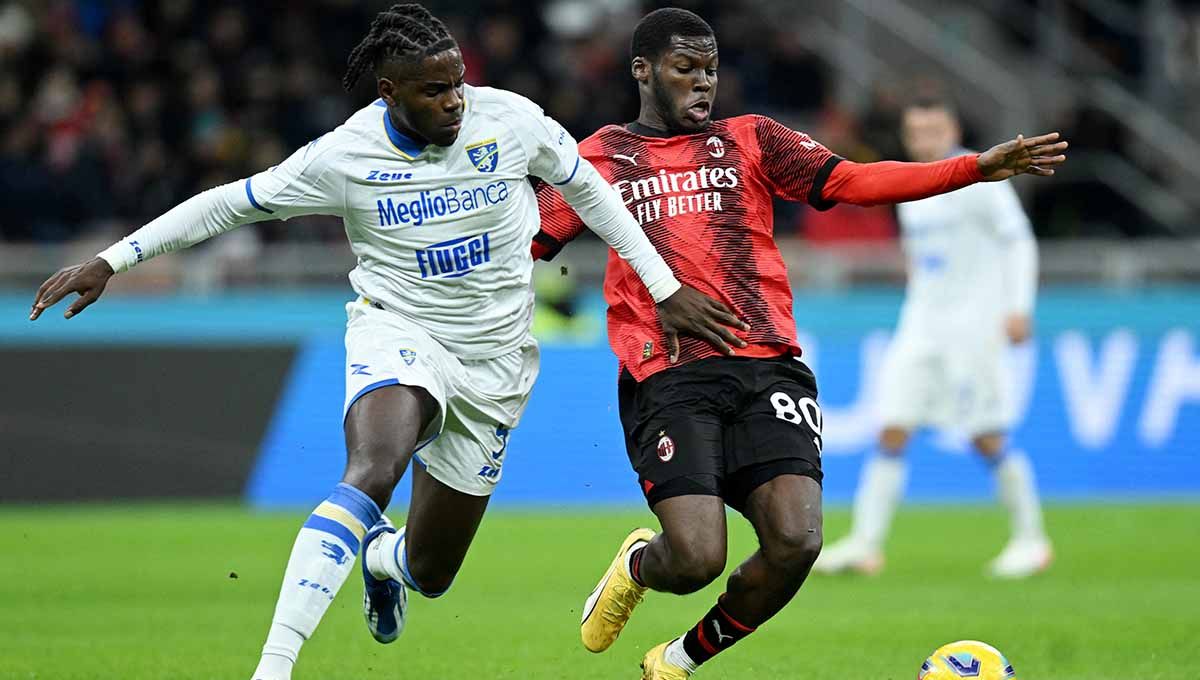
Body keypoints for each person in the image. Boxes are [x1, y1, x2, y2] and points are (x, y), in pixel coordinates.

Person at [28, 5, 744, 680]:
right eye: (434, 92)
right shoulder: (344, 155)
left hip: (495, 362)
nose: (454, 103)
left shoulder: (511, 121)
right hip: (399, 328)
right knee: (373, 466)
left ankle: (381, 561)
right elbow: (228, 204)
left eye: (458, 84)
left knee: (431, 571)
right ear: (390, 92)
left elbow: (587, 187)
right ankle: (274, 666)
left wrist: (661, 284)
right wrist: (112, 260)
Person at [531, 8, 1067, 679]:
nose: (703, 83)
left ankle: (676, 660)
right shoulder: (598, 159)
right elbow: (524, 241)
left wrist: (972, 168)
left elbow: (852, 181)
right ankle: (642, 564)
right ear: (642, 71)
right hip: (669, 373)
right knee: (696, 558)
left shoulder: (753, 139)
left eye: (711, 70)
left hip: (769, 370)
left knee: (796, 541)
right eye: (684, 69)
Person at [815, 96, 1051, 579]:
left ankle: (1032, 539)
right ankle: (865, 544)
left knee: (985, 435)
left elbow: (1019, 240)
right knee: (892, 427)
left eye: (934, 129)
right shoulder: (912, 187)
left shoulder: (983, 180)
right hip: (920, 326)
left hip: (975, 327)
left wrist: (1018, 307)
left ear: (953, 128)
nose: (926, 139)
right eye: (917, 131)